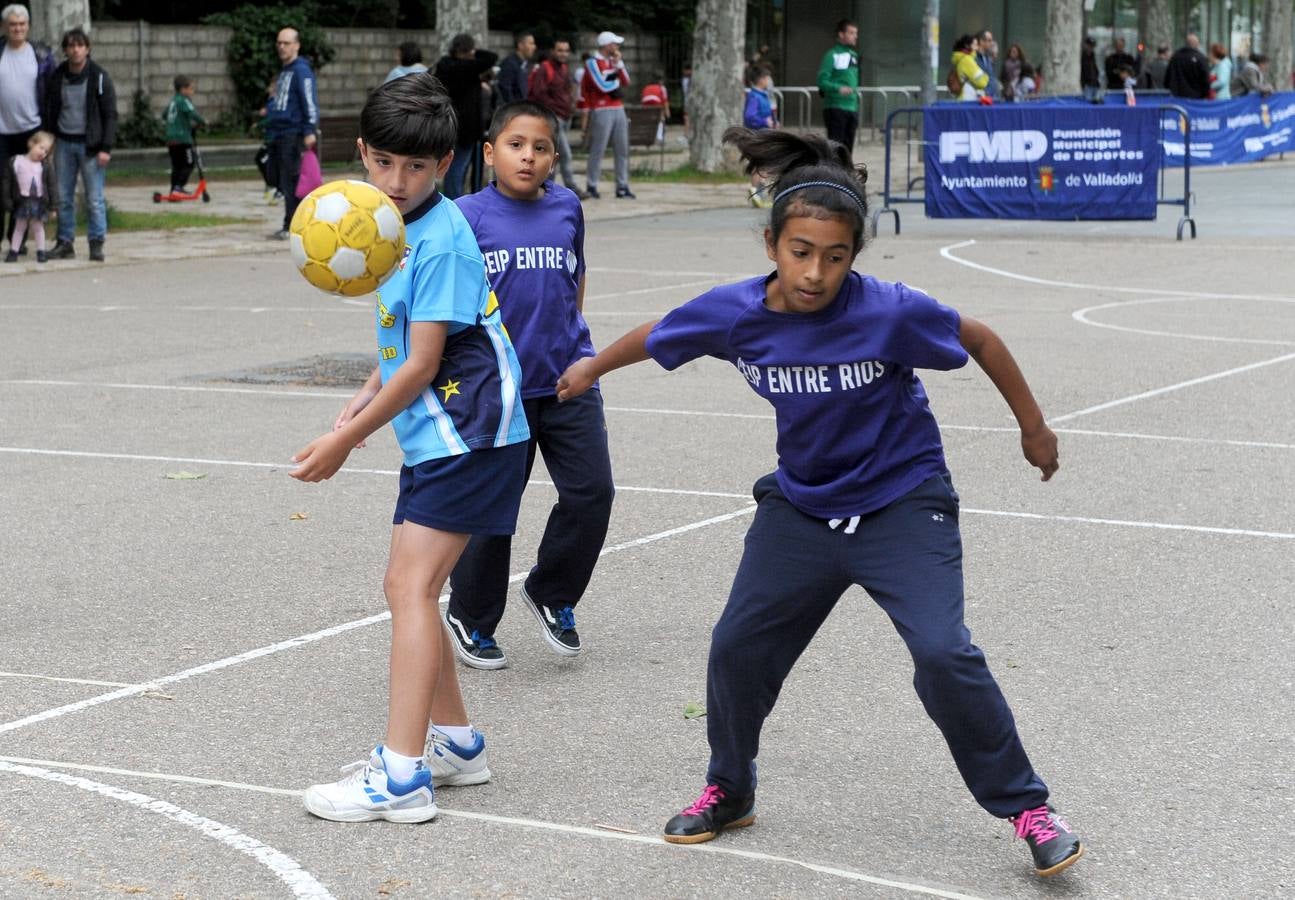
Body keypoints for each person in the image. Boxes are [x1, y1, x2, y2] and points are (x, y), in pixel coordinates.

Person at [555, 126, 1085, 880]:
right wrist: (591, 368)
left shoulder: (888, 312)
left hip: (903, 500)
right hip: (802, 507)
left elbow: (981, 340)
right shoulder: (737, 313)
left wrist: (1033, 428)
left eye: (835, 257)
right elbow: (660, 334)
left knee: (943, 653)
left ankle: (1029, 809)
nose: (815, 272)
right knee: (737, 646)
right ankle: (729, 789)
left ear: (854, 256)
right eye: (800, 251)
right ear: (771, 244)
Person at [294, 72, 531, 823]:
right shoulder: (386, 226)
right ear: (363, 152)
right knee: (409, 587)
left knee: (409, 589)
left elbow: (427, 362)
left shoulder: (442, 240)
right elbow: (409, 338)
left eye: (417, 167)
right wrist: (367, 393)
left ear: (447, 163)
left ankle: (400, 779)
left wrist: (347, 438)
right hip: (443, 434)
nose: (398, 181)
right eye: (385, 163)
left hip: (471, 434)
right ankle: (456, 744)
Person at [443, 100, 614, 670]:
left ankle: (551, 591)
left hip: (568, 379)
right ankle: (471, 615)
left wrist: (573, 342)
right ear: (490, 153)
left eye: (541, 148)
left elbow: (575, 274)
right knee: (495, 511)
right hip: (498, 391)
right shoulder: (465, 215)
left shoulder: (567, 207)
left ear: (553, 158)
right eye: (516, 145)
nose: (528, 156)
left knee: (592, 493)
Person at [43, 27, 115, 262]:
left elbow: (110, 115)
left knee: (94, 198)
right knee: (63, 197)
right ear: (65, 50)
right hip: (64, 143)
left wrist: (106, 148)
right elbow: (51, 108)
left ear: (87, 48)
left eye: (80, 45)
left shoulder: (99, 77)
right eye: (71, 46)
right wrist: (49, 138)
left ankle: (96, 242)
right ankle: (65, 242)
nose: (75, 50)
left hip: (91, 146)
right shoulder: (58, 76)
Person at [1, 3, 55, 257]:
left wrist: (49, 131)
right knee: (1, 185)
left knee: (23, 188)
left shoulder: (41, 54)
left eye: (22, 24)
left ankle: (17, 240)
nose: (17, 28)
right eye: (13, 24)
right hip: (2, 131)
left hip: (32, 131)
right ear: (5, 27)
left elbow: (52, 92)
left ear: (28, 26)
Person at [264, 27, 318, 240]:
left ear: (296, 45)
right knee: (274, 175)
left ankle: (292, 225)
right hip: (277, 132)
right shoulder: (285, 71)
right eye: (279, 43)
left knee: (291, 182)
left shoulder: (301, 70)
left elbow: (309, 101)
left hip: (292, 133)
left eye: (286, 43)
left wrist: (309, 129)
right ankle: (292, 222)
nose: (281, 47)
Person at [433, 33, 497, 200]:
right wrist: (474, 52)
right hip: (466, 128)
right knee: (457, 170)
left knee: (452, 169)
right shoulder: (468, 67)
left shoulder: (445, 65)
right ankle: (454, 202)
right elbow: (491, 57)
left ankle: (451, 200)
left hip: (448, 124)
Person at [527, 39, 586, 198]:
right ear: (553, 51)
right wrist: (554, 109)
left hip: (564, 116)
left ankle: (547, 190)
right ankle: (572, 187)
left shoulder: (564, 68)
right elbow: (538, 94)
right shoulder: (545, 68)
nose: (563, 54)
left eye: (566, 51)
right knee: (565, 154)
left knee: (554, 155)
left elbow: (567, 90)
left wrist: (570, 105)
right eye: (560, 50)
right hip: (553, 117)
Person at [580, 31, 633, 200]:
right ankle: (592, 185)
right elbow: (602, 85)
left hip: (618, 108)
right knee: (598, 149)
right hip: (602, 109)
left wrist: (619, 65)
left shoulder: (613, 61)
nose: (617, 47)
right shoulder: (592, 63)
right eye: (615, 44)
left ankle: (622, 186)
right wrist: (614, 78)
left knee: (622, 149)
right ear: (607, 45)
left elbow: (626, 81)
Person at [2, 129, 55, 263]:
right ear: (31, 143)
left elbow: (52, 186)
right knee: (19, 227)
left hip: (38, 201)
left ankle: (41, 252)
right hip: (22, 201)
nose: (43, 152)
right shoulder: (16, 161)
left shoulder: (45, 166)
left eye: (46, 151)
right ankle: (13, 252)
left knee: (38, 227)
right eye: (41, 148)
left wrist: (53, 207)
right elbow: (8, 182)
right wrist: (7, 200)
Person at [815, 19, 858, 150]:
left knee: (847, 151)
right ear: (841, 34)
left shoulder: (853, 55)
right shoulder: (832, 55)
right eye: (851, 33)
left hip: (852, 107)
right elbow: (821, 81)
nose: (855, 36)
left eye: (856, 33)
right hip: (836, 107)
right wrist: (838, 88)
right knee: (835, 151)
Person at [163, 75, 206, 195]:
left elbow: (164, 115)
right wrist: (203, 122)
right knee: (189, 163)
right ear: (183, 89)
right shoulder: (184, 100)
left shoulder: (173, 101)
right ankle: (179, 186)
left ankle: (173, 190)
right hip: (182, 138)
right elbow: (193, 114)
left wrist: (176, 123)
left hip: (171, 138)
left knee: (177, 166)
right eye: (191, 89)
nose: (193, 91)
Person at [743, 67, 776, 207]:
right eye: (767, 78)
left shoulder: (762, 95)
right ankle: (756, 193)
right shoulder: (755, 96)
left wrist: (773, 122)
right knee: (760, 166)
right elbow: (749, 116)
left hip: (763, 135)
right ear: (761, 79)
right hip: (758, 136)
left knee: (763, 166)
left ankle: (759, 195)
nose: (769, 81)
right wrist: (764, 122)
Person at [1165, 33, 1210, 99]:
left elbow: (1168, 77)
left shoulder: (1175, 57)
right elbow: (1205, 78)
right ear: (1197, 44)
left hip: (1177, 97)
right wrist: (1204, 93)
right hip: (1196, 98)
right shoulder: (1201, 58)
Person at [497, 31, 535, 105]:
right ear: (520, 45)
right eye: (531, 43)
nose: (534, 47)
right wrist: (515, 108)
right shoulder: (509, 64)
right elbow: (506, 90)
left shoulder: (525, 64)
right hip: (514, 109)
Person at [950, 34, 989, 102]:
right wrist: (986, 77)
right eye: (975, 45)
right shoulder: (967, 60)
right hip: (969, 100)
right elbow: (982, 83)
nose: (977, 47)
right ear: (967, 46)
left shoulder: (961, 59)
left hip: (964, 98)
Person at [975, 29, 999, 99]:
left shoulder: (988, 58)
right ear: (981, 42)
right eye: (989, 40)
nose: (992, 43)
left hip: (992, 99)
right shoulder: (973, 58)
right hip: (980, 100)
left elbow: (991, 77)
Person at [1080, 36, 1102, 101]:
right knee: (1087, 103)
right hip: (1087, 85)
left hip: (1096, 84)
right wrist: (1083, 84)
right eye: (1089, 45)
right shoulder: (1082, 56)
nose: (1091, 48)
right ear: (1086, 45)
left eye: (1092, 46)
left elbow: (1097, 70)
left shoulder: (1094, 56)